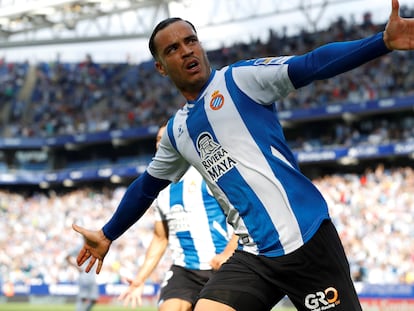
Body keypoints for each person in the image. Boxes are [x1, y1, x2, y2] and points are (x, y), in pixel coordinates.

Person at [72, 1, 414, 310]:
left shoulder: (241, 80)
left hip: (306, 240)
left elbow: (311, 64)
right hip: (254, 256)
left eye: (191, 41)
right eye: (173, 49)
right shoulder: (177, 132)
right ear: (161, 67)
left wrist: (380, 42)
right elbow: (146, 186)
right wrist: (107, 234)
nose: (187, 51)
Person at [118, 123, 238, 311]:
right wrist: (140, 279)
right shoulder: (159, 189)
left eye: (164, 138)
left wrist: (227, 253)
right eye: (157, 140)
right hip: (184, 270)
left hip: (220, 267)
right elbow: (160, 238)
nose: (160, 144)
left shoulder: (208, 173)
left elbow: (244, 216)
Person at [66, 241, 99, 311]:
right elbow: (67, 257)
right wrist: (77, 267)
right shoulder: (79, 246)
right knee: (82, 297)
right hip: (83, 275)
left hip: (92, 276)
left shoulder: (95, 246)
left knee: (94, 299)